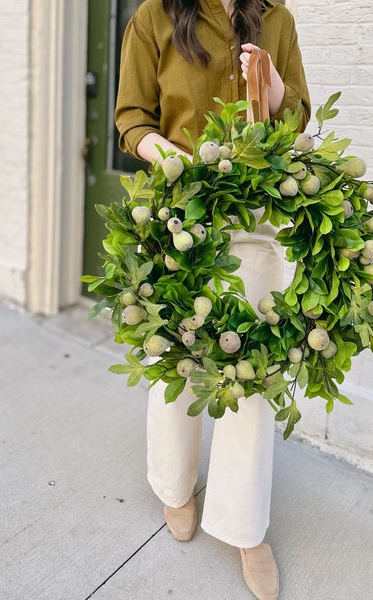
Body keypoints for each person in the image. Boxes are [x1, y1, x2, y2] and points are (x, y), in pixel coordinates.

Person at [115, 1, 310, 597]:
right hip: (180, 215)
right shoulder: (154, 14)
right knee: (177, 359)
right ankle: (175, 488)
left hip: (256, 219)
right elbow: (132, 119)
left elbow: (297, 120)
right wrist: (171, 160)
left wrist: (275, 91)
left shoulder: (276, 14)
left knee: (252, 369)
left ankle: (245, 526)